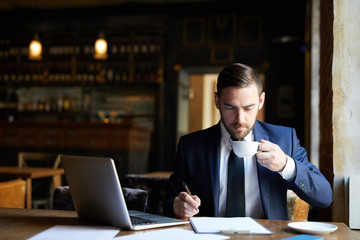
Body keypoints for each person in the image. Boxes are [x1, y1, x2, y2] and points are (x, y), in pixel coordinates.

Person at [163, 63, 332, 220]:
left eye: (248, 108)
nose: (240, 119)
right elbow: (170, 202)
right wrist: (177, 207)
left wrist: (287, 165)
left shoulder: (284, 139)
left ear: (261, 101)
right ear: (217, 101)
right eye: (230, 107)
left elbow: (324, 197)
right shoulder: (191, 146)